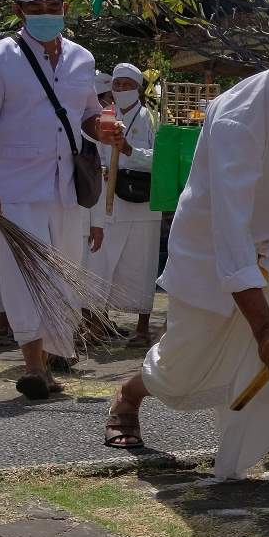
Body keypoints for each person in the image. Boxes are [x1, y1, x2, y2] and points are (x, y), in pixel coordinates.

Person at [104, 3, 269, 496]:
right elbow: (231, 231)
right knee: (184, 361)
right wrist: (263, 325)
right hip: (212, 243)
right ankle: (130, 394)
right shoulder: (238, 119)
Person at [0, 0, 117, 399]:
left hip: (65, 187)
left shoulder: (82, 58)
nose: (46, 15)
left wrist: (104, 128)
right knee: (23, 274)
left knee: (61, 275)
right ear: (18, 10)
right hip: (14, 189)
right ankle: (32, 366)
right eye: (35, 8)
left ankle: (47, 360)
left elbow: (86, 114)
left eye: (53, 7)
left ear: (65, 7)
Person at [88, 63, 160, 346]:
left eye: (127, 85)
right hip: (108, 202)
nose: (120, 90)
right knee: (103, 263)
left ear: (138, 88)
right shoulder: (103, 117)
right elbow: (93, 152)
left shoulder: (152, 118)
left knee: (141, 264)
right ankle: (97, 323)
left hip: (141, 202)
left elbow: (161, 159)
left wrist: (130, 151)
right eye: (116, 85)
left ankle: (142, 329)